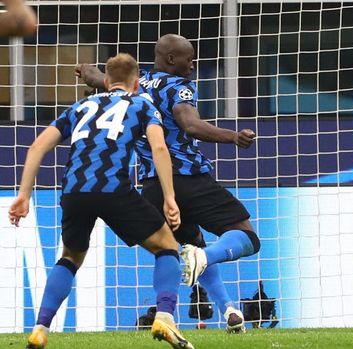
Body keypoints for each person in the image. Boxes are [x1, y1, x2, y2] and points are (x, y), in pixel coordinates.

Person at [75, 34, 260, 333]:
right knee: (247, 238)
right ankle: (206, 260)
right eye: (189, 58)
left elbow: (101, 78)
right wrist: (233, 137)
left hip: (152, 187)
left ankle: (227, 311)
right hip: (187, 178)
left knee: (190, 246)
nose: (193, 64)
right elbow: (190, 124)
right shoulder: (180, 88)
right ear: (172, 60)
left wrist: (87, 71)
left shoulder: (138, 86)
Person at [10, 53, 194, 349]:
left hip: (73, 191)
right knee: (167, 246)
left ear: (106, 82)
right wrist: (170, 197)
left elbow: (36, 147)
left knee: (70, 257)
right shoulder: (142, 104)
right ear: (136, 83)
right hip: (112, 188)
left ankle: (41, 328)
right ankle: (164, 316)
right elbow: (159, 147)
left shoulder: (80, 106)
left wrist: (23, 195)